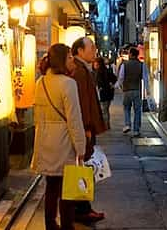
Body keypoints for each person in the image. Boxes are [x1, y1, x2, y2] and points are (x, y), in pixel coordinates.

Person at [31, 44, 86, 230]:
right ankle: (67, 226)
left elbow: (37, 116)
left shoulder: (40, 82)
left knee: (51, 187)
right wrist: (81, 148)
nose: (72, 60)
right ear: (62, 60)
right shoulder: (69, 84)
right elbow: (74, 119)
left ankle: (50, 224)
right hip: (63, 143)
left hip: (45, 142)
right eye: (70, 57)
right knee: (67, 191)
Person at [70, 37, 108, 223]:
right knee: (83, 167)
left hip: (85, 126)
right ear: (79, 51)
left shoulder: (82, 68)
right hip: (84, 128)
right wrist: (85, 127)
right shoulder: (79, 71)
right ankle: (82, 209)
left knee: (83, 167)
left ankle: (83, 207)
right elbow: (81, 102)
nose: (95, 50)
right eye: (91, 47)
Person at [115, 47, 150, 137]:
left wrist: (119, 86)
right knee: (137, 110)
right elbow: (145, 78)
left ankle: (127, 124)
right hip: (137, 90)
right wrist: (147, 90)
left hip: (127, 90)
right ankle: (136, 130)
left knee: (126, 108)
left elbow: (121, 77)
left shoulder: (124, 65)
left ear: (131, 54)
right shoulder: (141, 65)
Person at [93, 57, 117, 129]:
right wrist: (111, 85)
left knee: (104, 110)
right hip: (109, 93)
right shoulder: (107, 70)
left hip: (103, 93)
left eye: (95, 63)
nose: (94, 64)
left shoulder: (99, 72)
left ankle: (105, 126)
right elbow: (114, 78)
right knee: (106, 110)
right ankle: (107, 125)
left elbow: (99, 83)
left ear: (98, 63)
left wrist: (100, 87)